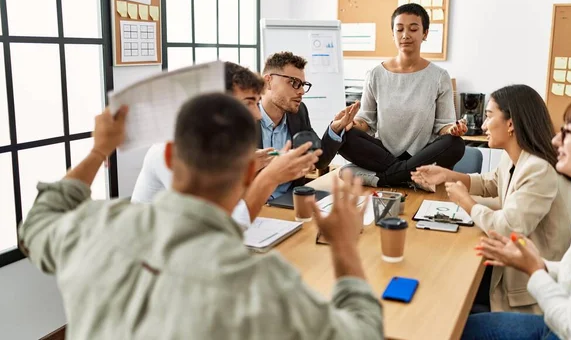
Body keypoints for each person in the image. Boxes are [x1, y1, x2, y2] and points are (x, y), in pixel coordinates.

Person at [18, 93, 383, 339]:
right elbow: (361, 332)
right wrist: (345, 248)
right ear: (247, 173)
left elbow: (38, 221)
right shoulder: (262, 285)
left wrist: (99, 150)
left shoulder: (92, 228)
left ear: (168, 156)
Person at [412, 84, 571, 314]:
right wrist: (449, 175)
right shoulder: (515, 158)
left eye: (489, 117)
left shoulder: (539, 169)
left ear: (510, 124)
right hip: (511, 272)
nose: (482, 125)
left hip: (529, 295)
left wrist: (466, 203)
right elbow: (493, 183)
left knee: (444, 292)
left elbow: (509, 227)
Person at [461, 95, 571, 340]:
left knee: (457, 326)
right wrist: (542, 265)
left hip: (559, 322)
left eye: (568, 132)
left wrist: (535, 270)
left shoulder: (540, 168)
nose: (556, 140)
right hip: (559, 307)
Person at [131, 62, 320, 228]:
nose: (257, 115)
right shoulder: (172, 151)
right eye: (248, 103)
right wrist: (270, 178)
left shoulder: (218, 145)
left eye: (256, 103)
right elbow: (221, 225)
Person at [337, 3, 466, 188]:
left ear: (425, 33)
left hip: (422, 154)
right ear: (393, 34)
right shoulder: (375, 74)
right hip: (383, 154)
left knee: (455, 144)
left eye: (413, 29)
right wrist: (350, 123)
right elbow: (366, 122)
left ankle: (384, 179)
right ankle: (408, 178)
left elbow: (443, 126)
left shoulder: (439, 76)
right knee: (342, 136)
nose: (405, 35)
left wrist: (453, 130)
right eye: (399, 29)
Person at [260, 51, 360, 199]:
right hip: (252, 208)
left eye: (302, 85)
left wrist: (336, 127)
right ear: (268, 81)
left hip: (289, 203)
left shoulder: (298, 112)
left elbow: (320, 160)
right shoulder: (240, 117)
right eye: (293, 82)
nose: (301, 91)